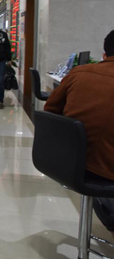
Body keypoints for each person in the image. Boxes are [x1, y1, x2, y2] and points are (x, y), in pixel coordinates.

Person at [45, 30, 114, 239]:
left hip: (67, 162)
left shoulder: (79, 73)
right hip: (104, 171)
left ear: (104, 53)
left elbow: (50, 110)